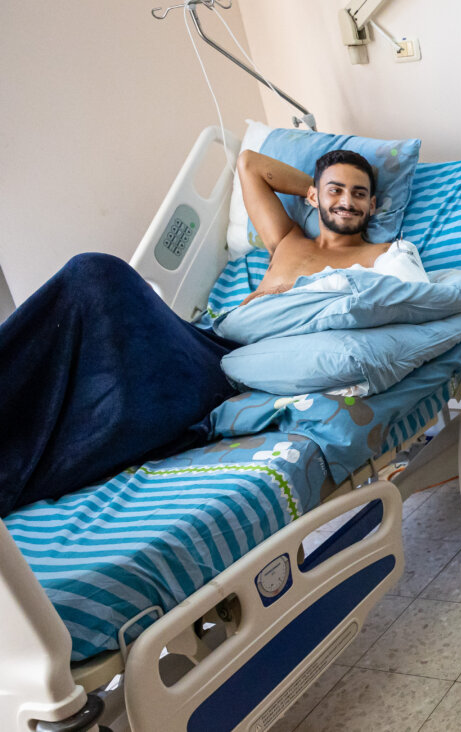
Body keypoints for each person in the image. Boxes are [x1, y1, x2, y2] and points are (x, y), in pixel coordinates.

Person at [0, 149, 401, 514]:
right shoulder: (289, 240)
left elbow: (398, 308)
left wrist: (328, 192)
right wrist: (317, 189)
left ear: (374, 205)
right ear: (313, 197)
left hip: (238, 370)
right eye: (337, 190)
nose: (347, 202)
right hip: (208, 339)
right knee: (91, 273)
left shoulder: (383, 256)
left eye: (359, 194)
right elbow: (250, 164)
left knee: (123, 397)